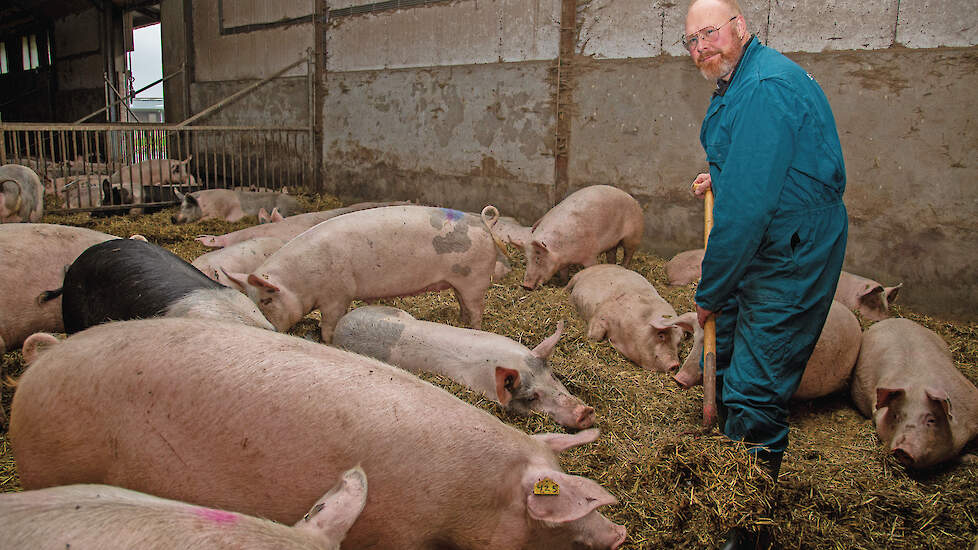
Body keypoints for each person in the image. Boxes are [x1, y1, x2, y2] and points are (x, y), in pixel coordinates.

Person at [682, 0, 848, 543]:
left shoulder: (761, 88)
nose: (701, 47)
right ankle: (729, 455)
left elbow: (749, 211)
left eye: (709, 33)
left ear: (741, 27)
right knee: (729, 354)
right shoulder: (741, 81)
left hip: (790, 247)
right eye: (690, 40)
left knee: (755, 385)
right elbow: (757, 166)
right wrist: (721, 180)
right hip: (770, 231)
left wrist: (708, 293)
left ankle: (748, 527)